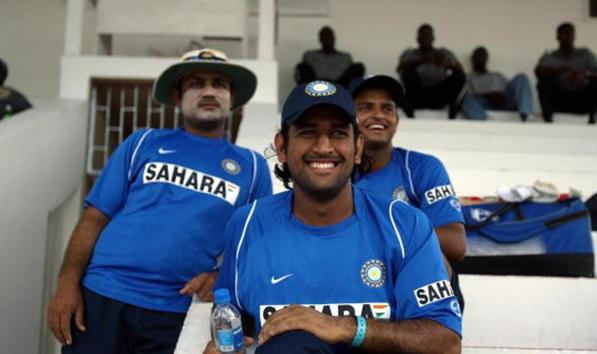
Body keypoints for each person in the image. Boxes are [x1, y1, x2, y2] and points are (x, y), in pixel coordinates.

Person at [204, 80, 462, 354]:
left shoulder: (406, 224)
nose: (324, 147)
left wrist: (344, 327)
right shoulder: (247, 224)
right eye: (307, 132)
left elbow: (445, 341)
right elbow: (229, 320)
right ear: (281, 147)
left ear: (358, 147)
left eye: (338, 133)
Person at [47, 48, 272, 354]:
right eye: (196, 84)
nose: (208, 91)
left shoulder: (253, 166)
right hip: (102, 294)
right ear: (177, 98)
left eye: (219, 84)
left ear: (231, 98)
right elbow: (93, 218)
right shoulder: (143, 142)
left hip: (174, 310)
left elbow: (255, 244)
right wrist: (66, 284)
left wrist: (219, 276)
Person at [348, 75, 467, 310]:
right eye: (366, 107)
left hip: (409, 283)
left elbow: (455, 243)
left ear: (396, 118)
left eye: (387, 108)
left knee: (435, 259)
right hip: (352, 282)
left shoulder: (422, 167)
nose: (379, 115)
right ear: (349, 118)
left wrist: (376, 232)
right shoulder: (335, 170)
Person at [535, 22, 597, 124]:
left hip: (581, 100)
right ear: (557, 37)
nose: (568, 37)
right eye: (564, 33)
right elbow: (538, 72)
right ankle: (548, 118)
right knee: (544, 81)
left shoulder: (585, 54)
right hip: (559, 101)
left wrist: (584, 74)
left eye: (571, 33)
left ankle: (593, 118)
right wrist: (561, 70)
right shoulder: (550, 56)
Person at [397, 24, 467, 119]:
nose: (425, 38)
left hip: (439, 94)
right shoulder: (410, 53)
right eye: (423, 36)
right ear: (418, 38)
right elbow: (400, 67)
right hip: (417, 95)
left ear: (433, 38)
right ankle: (409, 112)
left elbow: (460, 69)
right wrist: (424, 60)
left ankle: (453, 109)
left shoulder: (443, 53)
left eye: (428, 35)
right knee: (406, 71)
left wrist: (448, 64)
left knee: (459, 75)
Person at [461, 46, 533, 121]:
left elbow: (512, 90)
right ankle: (482, 119)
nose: (480, 59)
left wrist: (500, 96)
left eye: (482, 56)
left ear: (486, 59)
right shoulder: (468, 77)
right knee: (463, 97)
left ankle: (525, 113)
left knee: (521, 77)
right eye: (477, 56)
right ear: (472, 59)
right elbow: (467, 95)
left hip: (503, 102)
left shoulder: (497, 75)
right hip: (482, 105)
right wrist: (488, 96)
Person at [295, 26, 365, 87]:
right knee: (301, 67)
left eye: (329, 35)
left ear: (334, 38)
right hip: (316, 85)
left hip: (341, 85)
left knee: (359, 66)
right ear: (320, 39)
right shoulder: (309, 55)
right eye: (324, 35)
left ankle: (338, 88)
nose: (327, 38)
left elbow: (351, 78)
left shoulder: (345, 57)